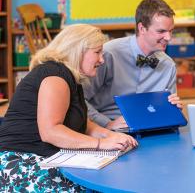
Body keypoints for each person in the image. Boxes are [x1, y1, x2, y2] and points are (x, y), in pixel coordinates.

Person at [0, 24, 138, 192]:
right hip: (20, 161)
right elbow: (51, 131)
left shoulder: (71, 78)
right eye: (97, 52)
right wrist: (101, 144)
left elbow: (84, 124)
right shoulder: (55, 76)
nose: (102, 59)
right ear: (77, 51)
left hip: (43, 157)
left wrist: (112, 136)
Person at [84, 0, 183, 130]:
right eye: (161, 31)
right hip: (106, 129)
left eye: (171, 31)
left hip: (150, 128)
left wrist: (172, 108)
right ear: (142, 28)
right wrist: (106, 124)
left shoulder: (168, 65)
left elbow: (164, 109)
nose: (168, 38)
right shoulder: (108, 54)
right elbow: (80, 100)